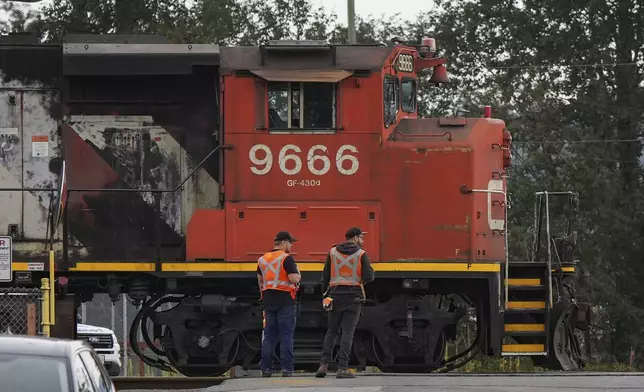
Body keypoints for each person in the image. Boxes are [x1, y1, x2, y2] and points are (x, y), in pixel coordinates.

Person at [316, 227, 374, 378]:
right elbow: (369, 277)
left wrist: (325, 295)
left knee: (332, 331)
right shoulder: (361, 254)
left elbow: (325, 277)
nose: (362, 241)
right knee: (348, 333)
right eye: (361, 238)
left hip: (334, 296)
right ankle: (342, 368)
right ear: (355, 238)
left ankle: (323, 366)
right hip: (353, 297)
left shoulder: (333, 252)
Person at [257, 231, 301, 377]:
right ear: (283, 243)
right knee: (286, 336)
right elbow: (294, 279)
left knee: (269, 337)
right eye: (290, 243)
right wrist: (299, 274)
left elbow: (260, 281)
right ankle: (287, 369)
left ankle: (266, 369)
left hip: (269, 301)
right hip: (285, 301)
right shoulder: (286, 258)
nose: (292, 245)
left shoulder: (262, 259)